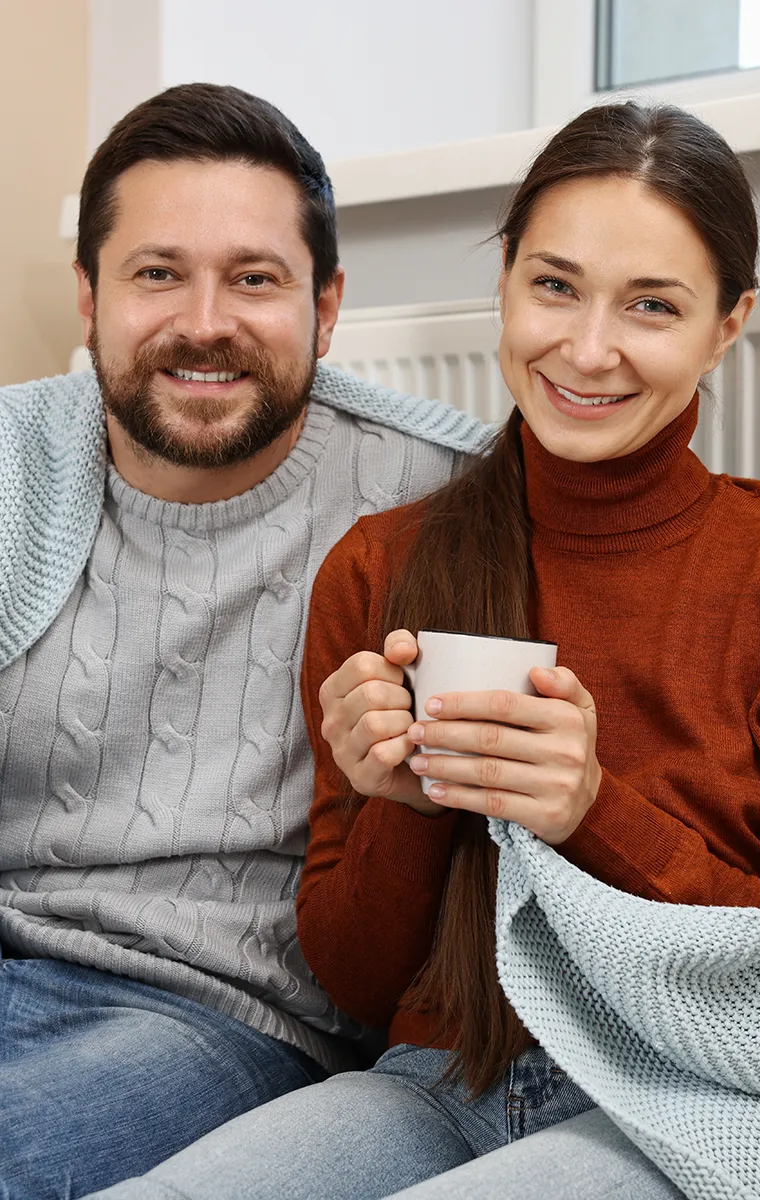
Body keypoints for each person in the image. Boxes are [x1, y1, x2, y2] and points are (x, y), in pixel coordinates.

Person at [82, 100, 760, 1200]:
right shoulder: (383, 566)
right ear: (504, 285)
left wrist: (589, 811)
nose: (587, 347)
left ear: (725, 326)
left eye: (650, 305)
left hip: (678, 1096)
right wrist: (402, 807)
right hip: (431, 1076)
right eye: (551, 285)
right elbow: (358, 987)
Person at [0, 82, 488, 1200]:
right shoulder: (16, 463)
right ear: (90, 296)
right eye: (157, 272)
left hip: (218, 1013)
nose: (204, 321)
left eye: (254, 279)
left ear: (325, 308)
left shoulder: (438, 500)